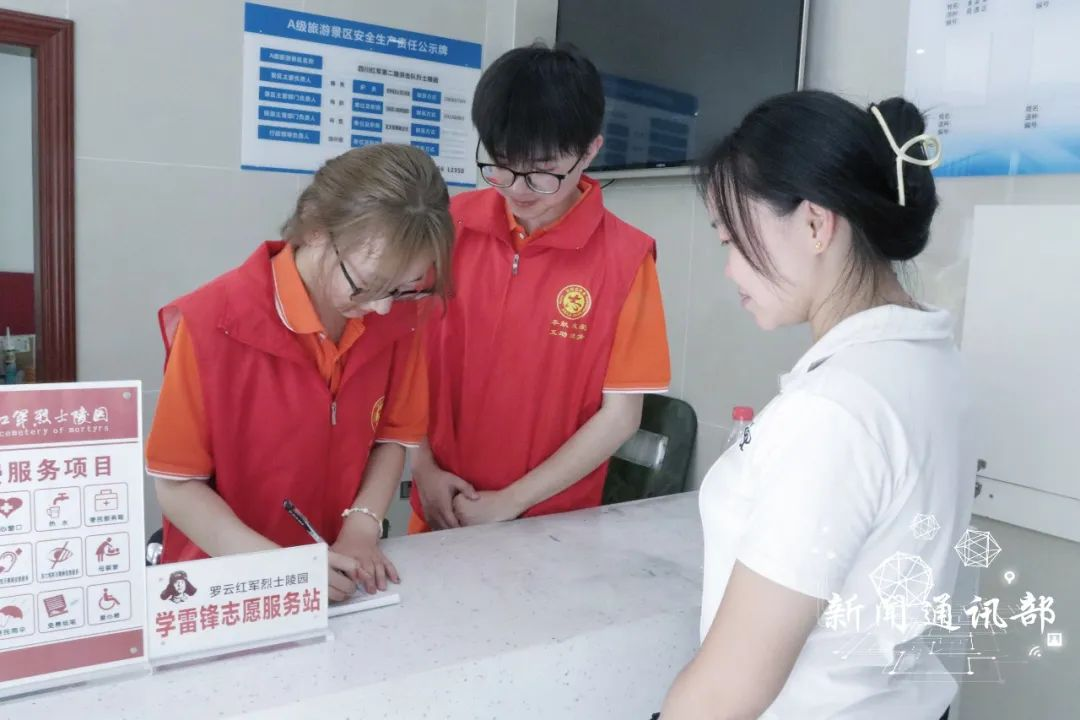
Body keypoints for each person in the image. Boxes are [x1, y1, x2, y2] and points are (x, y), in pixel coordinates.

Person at [660, 91, 974, 719]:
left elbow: (727, 688)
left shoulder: (835, 411)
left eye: (732, 239)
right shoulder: (930, 360)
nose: (730, 269)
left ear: (814, 224)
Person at [147, 144, 453, 602]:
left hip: (335, 576)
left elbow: (393, 436)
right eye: (367, 285)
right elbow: (177, 485)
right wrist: (279, 570)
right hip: (224, 583)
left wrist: (362, 527)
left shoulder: (401, 316)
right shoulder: (213, 323)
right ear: (315, 229)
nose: (382, 308)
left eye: (404, 287)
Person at [409, 44, 671, 532]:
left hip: (554, 529)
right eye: (503, 164)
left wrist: (510, 502)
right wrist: (422, 467)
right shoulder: (449, 227)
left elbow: (620, 416)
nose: (518, 188)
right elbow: (404, 361)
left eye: (543, 169)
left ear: (590, 150)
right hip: (441, 512)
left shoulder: (626, 259)